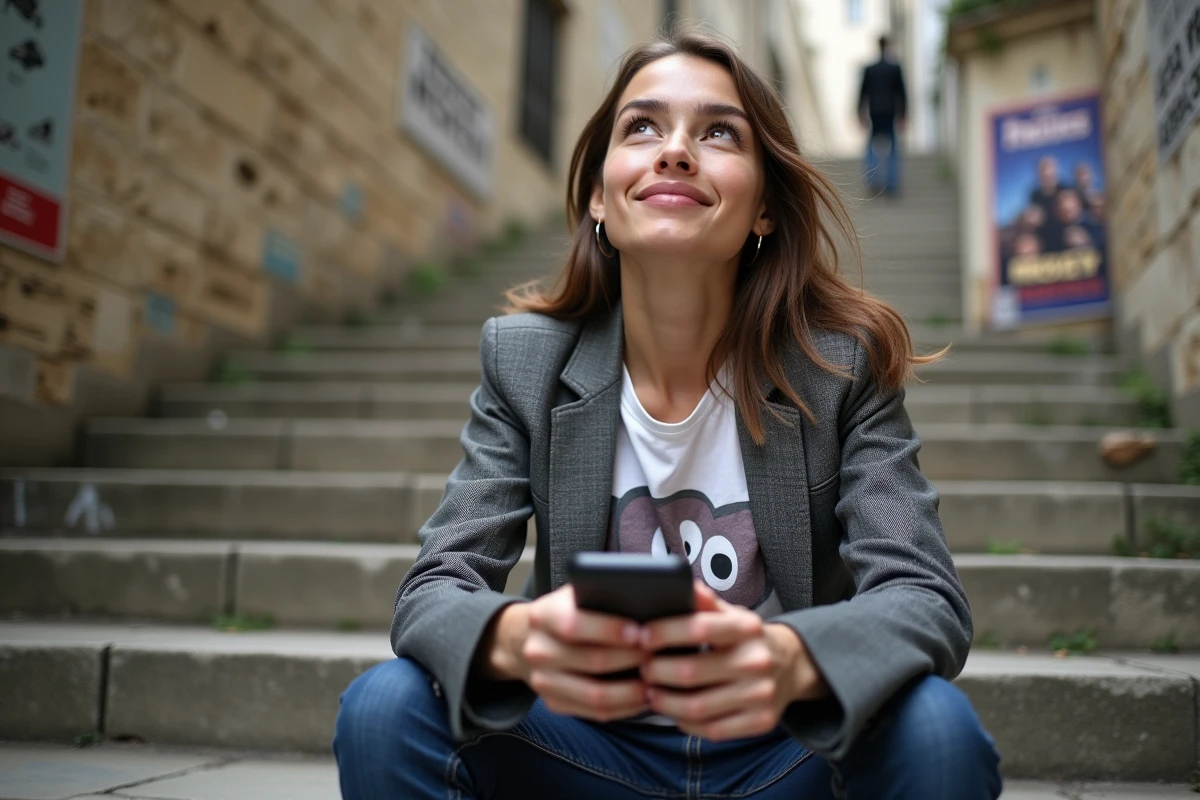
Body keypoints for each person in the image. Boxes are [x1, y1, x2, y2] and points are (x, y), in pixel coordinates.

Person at [333, 28, 1003, 800]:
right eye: (642, 126)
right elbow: (434, 587)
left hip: (786, 752)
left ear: (764, 209)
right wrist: (515, 638)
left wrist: (792, 658)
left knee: (936, 729)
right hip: (583, 750)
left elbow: (924, 596)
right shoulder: (524, 364)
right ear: (598, 195)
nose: (675, 150)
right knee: (385, 707)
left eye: (719, 132)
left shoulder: (839, 369)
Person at [857, 35, 908, 196]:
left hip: (874, 112)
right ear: (888, 46)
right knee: (892, 148)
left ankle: (872, 182)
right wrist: (904, 114)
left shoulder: (870, 69)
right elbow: (902, 93)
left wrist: (859, 113)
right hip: (890, 111)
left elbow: (862, 93)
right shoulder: (895, 67)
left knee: (871, 148)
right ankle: (891, 185)